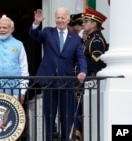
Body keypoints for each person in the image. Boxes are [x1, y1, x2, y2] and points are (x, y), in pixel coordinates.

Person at [29, 8, 87, 141]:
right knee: (49, 115)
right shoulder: (48, 32)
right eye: (58, 17)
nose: (60, 20)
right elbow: (34, 34)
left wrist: (83, 71)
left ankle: (65, 138)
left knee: (66, 115)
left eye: (62, 17)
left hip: (66, 81)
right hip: (49, 80)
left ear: (68, 20)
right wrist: (36, 23)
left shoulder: (75, 39)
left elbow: (81, 57)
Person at [82, 7, 108, 76]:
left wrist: (92, 81)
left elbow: (97, 64)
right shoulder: (90, 39)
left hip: (91, 82)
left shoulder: (96, 40)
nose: (83, 24)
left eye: (86, 21)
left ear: (93, 24)